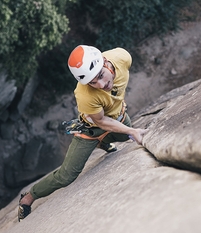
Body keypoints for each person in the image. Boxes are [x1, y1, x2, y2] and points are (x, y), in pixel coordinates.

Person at [18, 45, 147, 221]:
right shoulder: (85, 94)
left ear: (105, 61)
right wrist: (132, 130)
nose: (101, 85)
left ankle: (104, 142)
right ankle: (28, 197)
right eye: (93, 82)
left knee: (125, 137)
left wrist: (128, 130)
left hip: (117, 117)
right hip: (91, 130)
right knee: (67, 176)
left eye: (101, 75)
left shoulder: (123, 57)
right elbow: (101, 121)